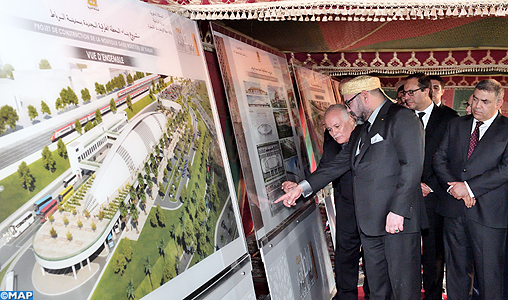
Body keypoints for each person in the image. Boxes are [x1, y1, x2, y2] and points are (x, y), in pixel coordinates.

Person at [276, 75, 425, 300]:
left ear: (364, 96)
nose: (349, 109)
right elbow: (336, 165)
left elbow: (412, 166)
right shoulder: (363, 130)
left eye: (349, 103)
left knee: (403, 288)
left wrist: (398, 211)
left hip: (397, 222)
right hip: (371, 224)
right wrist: (301, 188)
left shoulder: (402, 118)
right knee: (377, 288)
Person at [283, 104, 368, 300]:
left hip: (372, 207)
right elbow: (325, 169)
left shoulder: (367, 135)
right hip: (346, 205)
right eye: (329, 129)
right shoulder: (331, 139)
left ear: (352, 120)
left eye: (337, 127)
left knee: (373, 259)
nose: (334, 133)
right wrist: (299, 188)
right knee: (345, 256)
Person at [433, 79, 508, 300]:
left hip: (489, 216)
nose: (477, 105)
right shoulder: (456, 124)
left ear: (499, 102)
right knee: (456, 273)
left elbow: (505, 170)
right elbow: (439, 159)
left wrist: (468, 188)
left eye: (485, 101)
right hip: (454, 211)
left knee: (490, 277)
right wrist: (454, 189)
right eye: (475, 98)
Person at [401, 73, 458, 300]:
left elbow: (453, 158)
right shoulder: (400, 117)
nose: (407, 96)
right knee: (407, 249)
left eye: (411, 92)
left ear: (427, 91)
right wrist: (413, 184)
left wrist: (430, 185)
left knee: (433, 250)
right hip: (405, 193)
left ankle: (433, 294)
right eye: (405, 92)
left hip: (435, 194)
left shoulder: (450, 119)